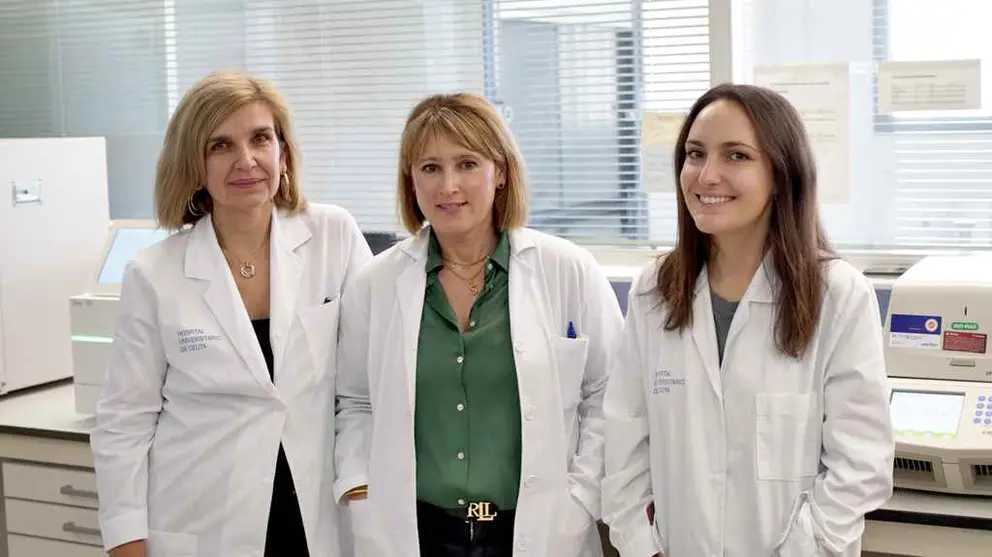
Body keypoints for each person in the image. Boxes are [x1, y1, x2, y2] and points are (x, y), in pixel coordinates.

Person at [602, 83, 895, 557]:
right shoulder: (656, 290)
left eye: (736, 156)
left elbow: (860, 463)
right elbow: (623, 441)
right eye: (695, 154)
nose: (706, 174)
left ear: (781, 174)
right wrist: (641, 546)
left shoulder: (837, 295)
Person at [90, 70, 372, 557]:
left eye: (260, 138)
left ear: (282, 151)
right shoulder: (155, 272)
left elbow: (368, 383)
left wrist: (364, 484)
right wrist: (127, 541)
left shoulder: (334, 235)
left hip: (319, 513)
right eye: (220, 145)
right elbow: (124, 422)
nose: (246, 160)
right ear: (194, 164)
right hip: (204, 517)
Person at [333, 92, 624, 557]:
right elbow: (354, 401)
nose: (448, 185)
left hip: (536, 529)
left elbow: (609, 394)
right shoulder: (377, 283)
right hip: (414, 531)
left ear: (501, 171)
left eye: (467, 164)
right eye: (430, 168)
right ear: (411, 181)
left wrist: (580, 497)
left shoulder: (567, 269)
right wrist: (360, 491)